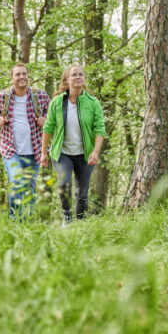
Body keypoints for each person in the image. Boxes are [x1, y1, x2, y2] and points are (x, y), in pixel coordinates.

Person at [40, 64, 106, 223]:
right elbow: (48, 127)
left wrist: (96, 151)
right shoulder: (57, 102)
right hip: (62, 153)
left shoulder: (93, 102)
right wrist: (43, 153)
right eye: (74, 75)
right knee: (64, 186)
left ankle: (81, 225)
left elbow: (100, 129)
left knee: (82, 193)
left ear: (84, 79)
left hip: (85, 153)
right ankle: (67, 218)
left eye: (81, 74)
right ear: (67, 80)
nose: (78, 77)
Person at [0, 63, 50, 220]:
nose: (22, 77)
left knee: (29, 189)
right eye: (18, 75)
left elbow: (54, 115)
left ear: (28, 76)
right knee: (17, 182)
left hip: (35, 150)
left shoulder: (40, 96)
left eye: (24, 74)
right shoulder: (3, 96)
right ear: (12, 78)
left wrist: (45, 119)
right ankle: (15, 220)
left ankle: (27, 222)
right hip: (11, 150)